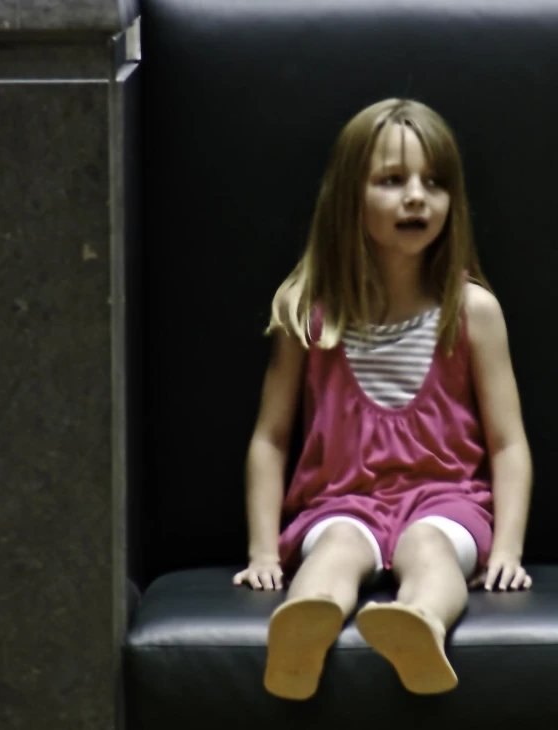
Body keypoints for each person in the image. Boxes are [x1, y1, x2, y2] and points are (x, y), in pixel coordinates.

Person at [232, 98, 532, 701]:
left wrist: (507, 549)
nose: (417, 197)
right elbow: (270, 438)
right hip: (339, 501)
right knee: (337, 549)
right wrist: (263, 549)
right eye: (392, 181)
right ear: (350, 198)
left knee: (429, 547)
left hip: (448, 499)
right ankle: (302, 630)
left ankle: (420, 623)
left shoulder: (472, 313)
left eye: (434, 183)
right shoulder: (308, 314)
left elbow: (507, 443)